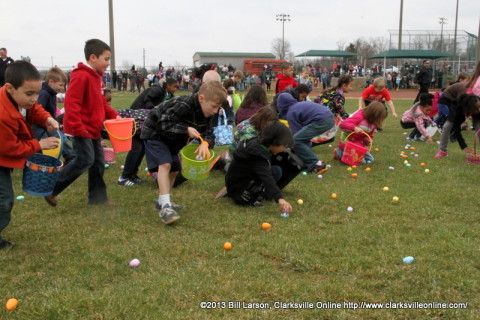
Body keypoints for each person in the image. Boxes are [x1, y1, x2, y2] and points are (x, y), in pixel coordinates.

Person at [44, 39, 119, 207]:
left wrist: (115, 116)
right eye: (106, 59)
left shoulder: (95, 77)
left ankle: (97, 198)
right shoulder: (81, 76)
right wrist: (79, 128)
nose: (108, 64)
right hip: (81, 129)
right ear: (93, 57)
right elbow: (72, 105)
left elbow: (101, 102)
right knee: (85, 160)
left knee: (98, 163)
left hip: (92, 129)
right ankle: (51, 188)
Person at [141, 81, 227, 224]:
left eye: (218, 108)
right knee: (165, 164)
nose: (215, 111)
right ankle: (166, 207)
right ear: (201, 98)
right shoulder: (184, 104)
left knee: (174, 170)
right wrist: (186, 130)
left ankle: (163, 199)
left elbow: (209, 133)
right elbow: (164, 123)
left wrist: (205, 143)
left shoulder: (208, 113)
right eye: (213, 106)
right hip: (155, 134)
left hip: (172, 140)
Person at [0, 61, 60, 249]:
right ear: (10, 88)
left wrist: (47, 118)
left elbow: (34, 110)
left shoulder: (20, 100)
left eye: (37, 92)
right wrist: (39, 144)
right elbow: (11, 148)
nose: (34, 98)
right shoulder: (2, 114)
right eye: (29, 94)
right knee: (4, 200)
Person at [225, 121, 294, 214]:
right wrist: (280, 199)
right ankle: (265, 194)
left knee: (276, 170)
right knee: (275, 172)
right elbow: (267, 177)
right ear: (275, 142)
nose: (283, 149)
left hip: (234, 182)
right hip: (241, 192)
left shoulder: (255, 143)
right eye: (283, 146)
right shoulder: (258, 156)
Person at [277, 93, 334, 173]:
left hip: (321, 120)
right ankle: (307, 161)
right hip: (329, 117)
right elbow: (301, 134)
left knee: (295, 140)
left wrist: (286, 145)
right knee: (302, 138)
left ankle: (316, 164)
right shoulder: (298, 105)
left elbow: (295, 133)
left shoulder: (291, 112)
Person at [434, 94, 480, 158]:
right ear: (468, 109)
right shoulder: (457, 110)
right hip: (456, 111)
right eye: (476, 109)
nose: (478, 110)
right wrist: (464, 146)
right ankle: (443, 150)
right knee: (447, 126)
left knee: (479, 128)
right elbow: (456, 130)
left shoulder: (477, 102)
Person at [32, 67, 67, 140]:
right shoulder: (44, 94)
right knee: (58, 141)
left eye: (63, 85)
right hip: (39, 127)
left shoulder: (52, 94)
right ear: (51, 82)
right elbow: (38, 111)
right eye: (60, 85)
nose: (63, 88)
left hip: (48, 124)